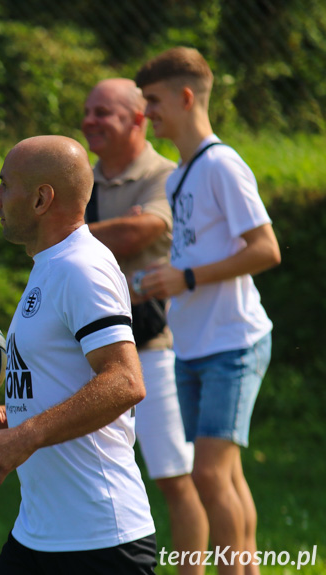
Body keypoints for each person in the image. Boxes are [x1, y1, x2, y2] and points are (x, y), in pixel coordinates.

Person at [0, 135, 157, 574]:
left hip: (100, 539)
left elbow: (124, 381)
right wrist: (2, 420)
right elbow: (63, 384)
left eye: (5, 185)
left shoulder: (81, 267)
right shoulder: (51, 265)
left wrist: (26, 435)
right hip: (40, 533)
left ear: (41, 199)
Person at [134, 47, 281, 575]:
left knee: (210, 478)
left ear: (186, 97)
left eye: (152, 101)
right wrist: (159, 281)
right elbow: (194, 252)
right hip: (192, 344)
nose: (146, 112)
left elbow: (265, 248)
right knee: (224, 476)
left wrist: (187, 278)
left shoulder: (222, 164)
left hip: (232, 343)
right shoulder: (178, 177)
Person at [82, 78, 208, 575]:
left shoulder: (165, 174)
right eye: (87, 111)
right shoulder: (84, 178)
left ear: (138, 119)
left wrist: (72, 233)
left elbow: (145, 229)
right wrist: (112, 235)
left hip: (154, 349)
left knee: (175, 478)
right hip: (95, 354)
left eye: (104, 113)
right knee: (99, 474)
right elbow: (125, 235)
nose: (90, 120)